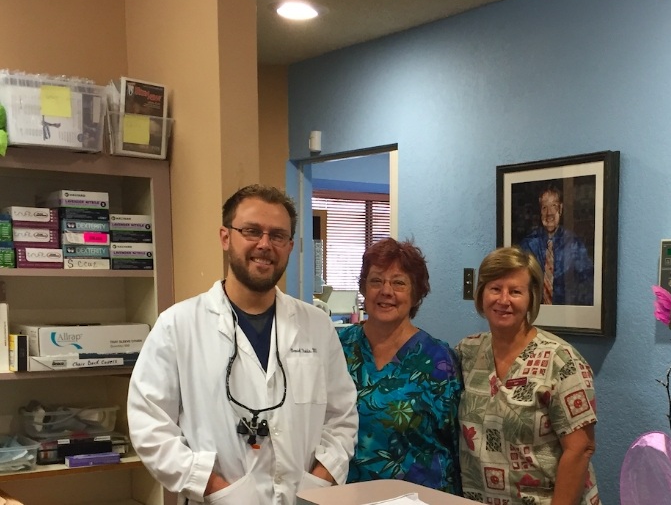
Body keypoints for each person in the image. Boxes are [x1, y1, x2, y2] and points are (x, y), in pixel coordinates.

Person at [127, 184, 359, 505]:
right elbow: (150, 426)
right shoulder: (178, 325)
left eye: (277, 236)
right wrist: (217, 489)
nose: (265, 244)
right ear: (225, 237)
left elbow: (341, 417)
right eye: (251, 231)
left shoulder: (316, 325)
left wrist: (319, 484)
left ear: (290, 246)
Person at [455, 247, 600, 505]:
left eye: (515, 291)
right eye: (495, 288)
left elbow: (580, 449)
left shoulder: (562, 361)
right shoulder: (467, 352)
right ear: (481, 294)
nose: (503, 299)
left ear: (531, 298)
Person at [338, 238, 462, 495]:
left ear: (415, 293)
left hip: (418, 497)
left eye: (398, 283)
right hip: (345, 495)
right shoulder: (337, 347)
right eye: (376, 281)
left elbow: (453, 445)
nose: (386, 291)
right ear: (363, 288)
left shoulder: (438, 361)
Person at [519, 184, 594, 306]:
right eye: (544, 207)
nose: (549, 213)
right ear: (540, 211)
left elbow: (587, 288)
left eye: (554, 206)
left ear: (561, 209)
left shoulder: (575, 245)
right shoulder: (528, 245)